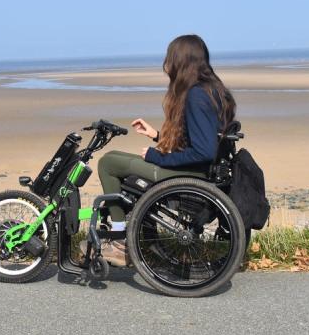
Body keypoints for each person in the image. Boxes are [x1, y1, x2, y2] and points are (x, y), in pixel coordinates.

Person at [93, 34, 236, 266]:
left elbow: (203, 152)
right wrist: (157, 136)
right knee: (114, 157)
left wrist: (156, 156)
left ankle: (119, 240)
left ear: (182, 62)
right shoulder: (213, 90)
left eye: (170, 59)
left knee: (108, 163)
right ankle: (131, 234)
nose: (166, 65)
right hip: (198, 169)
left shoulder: (196, 96)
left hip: (191, 175)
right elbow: (199, 139)